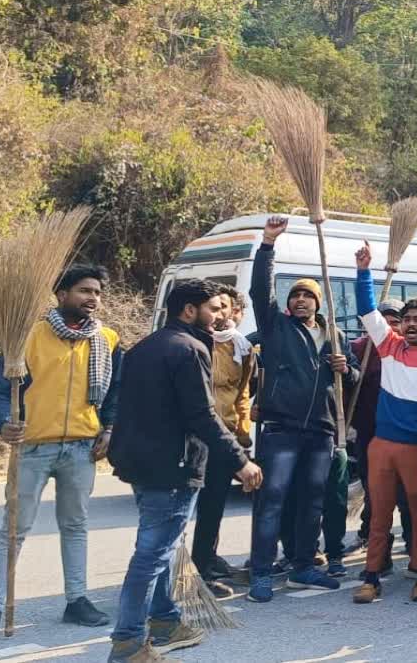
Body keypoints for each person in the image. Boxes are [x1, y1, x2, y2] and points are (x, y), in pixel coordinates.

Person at [106, 279, 263, 662]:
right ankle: (127, 643)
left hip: (139, 462)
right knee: (152, 554)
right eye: (213, 308)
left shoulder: (144, 346)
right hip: (173, 465)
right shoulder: (190, 348)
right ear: (189, 311)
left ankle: (165, 621)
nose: (221, 315)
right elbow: (202, 414)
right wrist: (240, 460)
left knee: (163, 546)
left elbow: (124, 406)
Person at [0, 266, 118, 644]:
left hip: (81, 448)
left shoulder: (106, 339)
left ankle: (77, 600)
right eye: (84, 290)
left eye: (98, 292)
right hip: (32, 447)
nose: (93, 298)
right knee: (13, 531)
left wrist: (109, 428)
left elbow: (115, 392)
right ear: (61, 294)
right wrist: (4, 422)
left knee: (75, 527)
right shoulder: (26, 337)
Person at [246, 216, 360, 603]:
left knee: (314, 499)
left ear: (318, 302)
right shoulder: (275, 326)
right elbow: (259, 290)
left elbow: (351, 377)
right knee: (272, 498)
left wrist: (349, 368)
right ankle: (261, 572)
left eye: (307, 296)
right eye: (295, 295)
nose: (299, 300)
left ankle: (303, 567)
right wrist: (267, 246)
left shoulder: (335, 334)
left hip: (322, 429)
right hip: (282, 426)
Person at [351, 241, 417, 604]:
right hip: (382, 445)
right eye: (406, 319)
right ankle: (371, 576)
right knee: (379, 513)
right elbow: (367, 309)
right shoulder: (389, 346)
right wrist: (364, 271)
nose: (409, 324)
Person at [189, 286, 256, 599]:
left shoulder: (240, 347)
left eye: (224, 308)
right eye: (214, 308)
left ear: (233, 312)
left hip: (223, 434)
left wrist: (241, 432)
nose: (219, 314)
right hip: (191, 434)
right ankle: (179, 572)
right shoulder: (193, 341)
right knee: (181, 505)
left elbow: (242, 392)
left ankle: (205, 562)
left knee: (213, 504)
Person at [343, 299, 409, 562]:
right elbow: (347, 385)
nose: (391, 328)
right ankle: (376, 546)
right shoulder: (358, 348)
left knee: (407, 494)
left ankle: (413, 544)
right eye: (386, 322)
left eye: (396, 322)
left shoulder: (408, 350)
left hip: (403, 433)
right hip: (369, 432)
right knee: (375, 492)